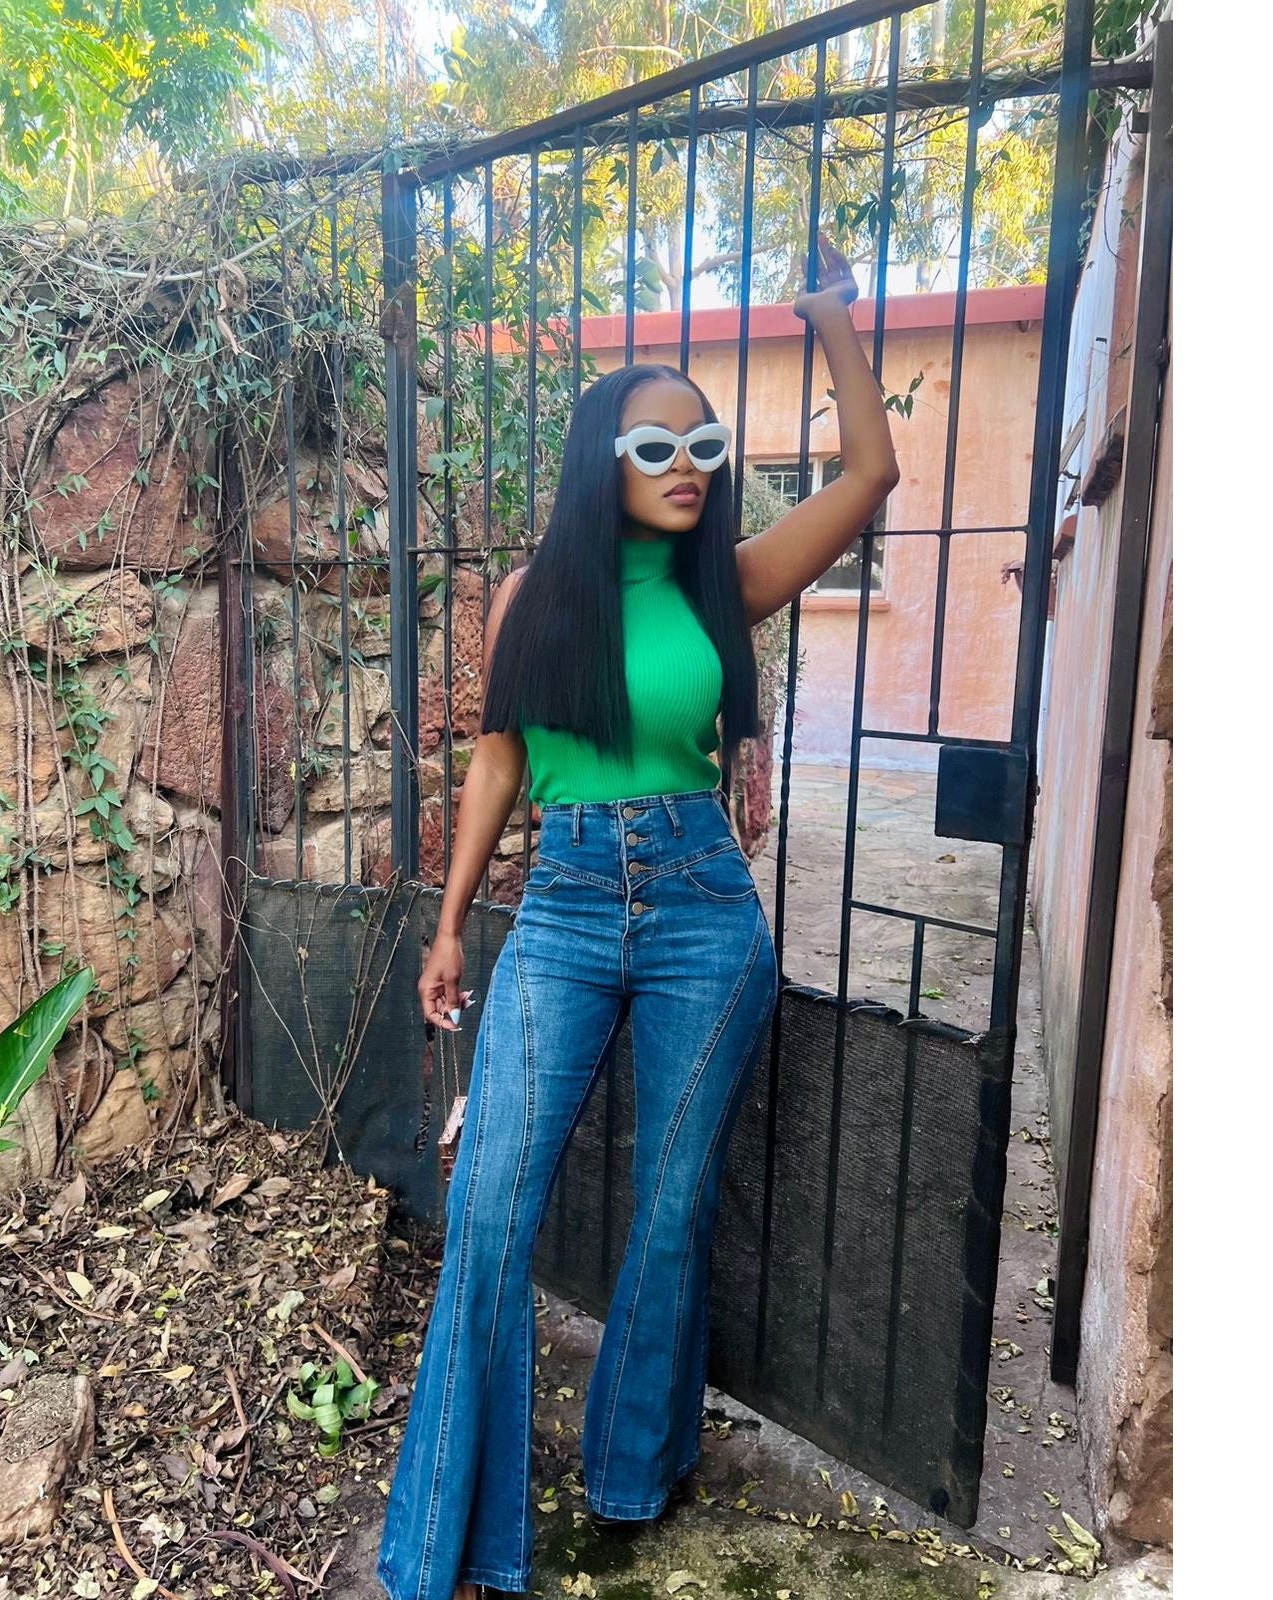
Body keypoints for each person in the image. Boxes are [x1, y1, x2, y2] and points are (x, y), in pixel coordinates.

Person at [375, 236, 898, 1600]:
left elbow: (869, 478)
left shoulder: (729, 585)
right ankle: (444, 1546)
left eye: (704, 446)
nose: (688, 466)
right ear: (599, 459)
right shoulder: (529, 599)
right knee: (490, 1207)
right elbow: (498, 761)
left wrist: (834, 323)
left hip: (700, 918)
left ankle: (629, 1478)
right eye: (657, 446)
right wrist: (452, 923)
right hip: (557, 910)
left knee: (669, 1211)